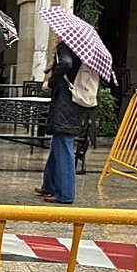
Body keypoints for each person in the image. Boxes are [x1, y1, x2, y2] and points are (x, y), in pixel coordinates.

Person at [37, 40, 90, 205]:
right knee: (58, 145)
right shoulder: (81, 47)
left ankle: (65, 194)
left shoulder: (66, 46)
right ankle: (49, 185)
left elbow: (66, 64)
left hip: (65, 103)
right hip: (73, 102)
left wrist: (50, 82)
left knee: (64, 145)